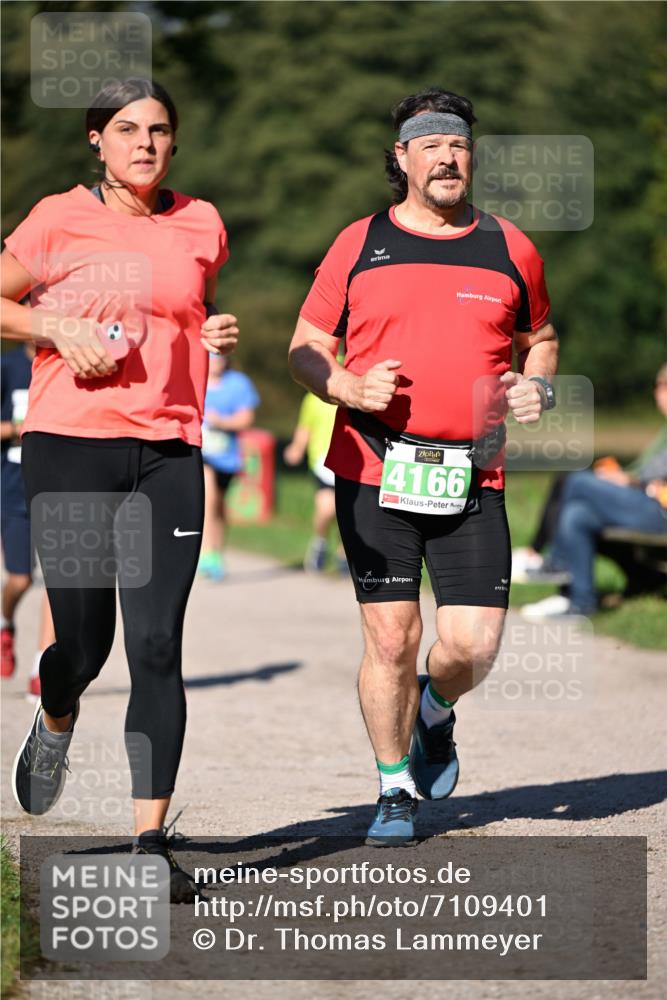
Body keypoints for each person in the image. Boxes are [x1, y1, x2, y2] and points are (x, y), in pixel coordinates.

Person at [288, 87, 558, 845]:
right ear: (401, 158)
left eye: (460, 145)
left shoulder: (510, 247)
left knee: (471, 646)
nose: (448, 156)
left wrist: (534, 382)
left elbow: (540, 336)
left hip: (474, 472)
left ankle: (433, 712)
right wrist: (343, 384)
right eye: (431, 144)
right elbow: (304, 346)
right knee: (392, 639)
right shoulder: (358, 243)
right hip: (374, 465)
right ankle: (393, 788)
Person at [1, 78, 238, 901]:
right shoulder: (54, 217)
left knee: (158, 646)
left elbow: (182, 307)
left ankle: (149, 841)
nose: (145, 143)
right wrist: (53, 324)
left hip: (167, 451)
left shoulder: (202, 223)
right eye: (127, 130)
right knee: (85, 647)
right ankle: (57, 711)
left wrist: (212, 330)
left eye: (159, 130)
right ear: (95, 142)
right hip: (69, 446)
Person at [521, 363, 667, 617]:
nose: (661, 393)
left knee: (576, 480)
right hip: (646, 501)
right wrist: (627, 479)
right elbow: (648, 475)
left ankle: (556, 560)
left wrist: (642, 484)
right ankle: (580, 601)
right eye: (660, 386)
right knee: (578, 513)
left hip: (660, 510)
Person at [1, 342, 55, 697]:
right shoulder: (7, 367)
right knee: (21, 580)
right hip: (15, 487)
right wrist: (20, 427)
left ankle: (42, 668)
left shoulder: (70, 363)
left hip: (59, 488)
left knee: (59, 581)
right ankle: (5, 625)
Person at [199, 354, 259, 581]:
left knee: (219, 506)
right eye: (212, 356)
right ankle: (205, 552)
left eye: (220, 356)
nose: (216, 360)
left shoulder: (239, 383)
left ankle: (216, 553)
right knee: (209, 497)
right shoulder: (196, 378)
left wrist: (221, 422)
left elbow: (246, 419)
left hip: (228, 457)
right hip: (202, 455)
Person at [283, 391, 345, 572]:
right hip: (322, 461)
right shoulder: (314, 396)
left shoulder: (357, 395)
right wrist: (297, 448)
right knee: (327, 508)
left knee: (349, 513)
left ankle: (344, 553)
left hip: (351, 462)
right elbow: (305, 427)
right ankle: (320, 542)